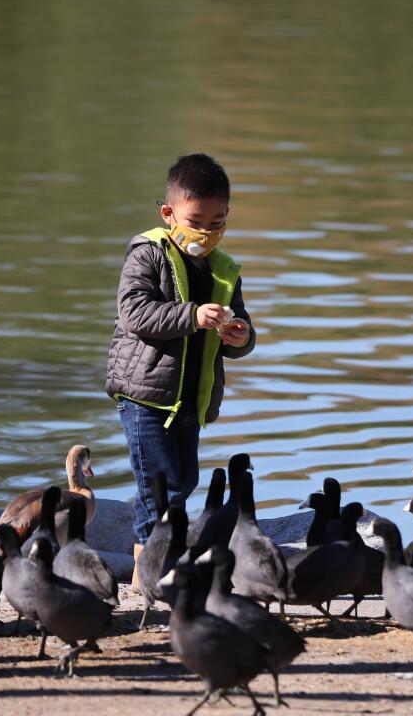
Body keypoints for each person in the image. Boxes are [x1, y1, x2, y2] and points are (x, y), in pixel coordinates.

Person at [106, 153, 256, 558]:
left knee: (185, 481)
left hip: (190, 397)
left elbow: (242, 331)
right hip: (145, 395)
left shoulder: (223, 270)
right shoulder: (148, 254)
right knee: (159, 485)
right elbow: (134, 313)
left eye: (217, 223)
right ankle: (148, 563)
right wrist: (193, 315)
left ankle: (157, 559)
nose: (206, 232)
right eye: (196, 221)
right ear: (169, 213)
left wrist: (238, 336)